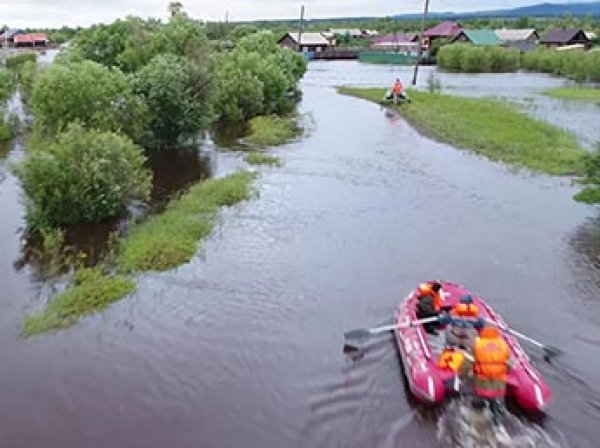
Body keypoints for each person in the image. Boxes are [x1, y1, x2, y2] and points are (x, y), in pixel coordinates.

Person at [460, 325, 512, 425]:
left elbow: (467, 363)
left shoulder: (477, 345)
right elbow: (509, 364)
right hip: (498, 383)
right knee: (496, 402)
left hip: (482, 382)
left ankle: (476, 419)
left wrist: (461, 376)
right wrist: (504, 373)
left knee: (478, 402)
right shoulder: (504, 345)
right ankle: (497, 422)